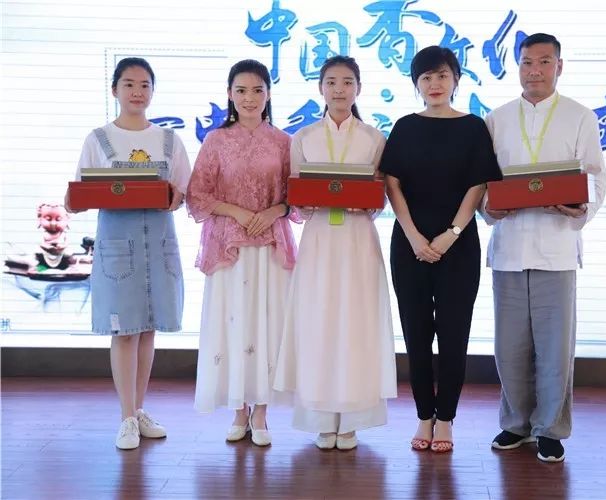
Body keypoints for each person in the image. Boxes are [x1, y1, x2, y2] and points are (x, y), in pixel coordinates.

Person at [482, 33, 606, 462]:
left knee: (555, 348)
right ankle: (515, 423)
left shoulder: (580, 116)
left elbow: (595, 176)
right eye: (527, 62)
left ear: (559, 66)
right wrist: (488, 209)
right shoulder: (496, 118)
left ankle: (550, 429)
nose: (534, 70)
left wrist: (580, 209)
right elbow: (483, 182)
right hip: (510, 246)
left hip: (557, 245)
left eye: (544, 61)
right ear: (517, 66)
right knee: (509, 346)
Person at [64, 57, 191, 450]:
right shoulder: (98, 139)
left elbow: (184, 193)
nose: (137, 92)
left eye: (145, 85)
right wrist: (75, 198)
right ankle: (125, 418)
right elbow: (75, 197)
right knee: (124, 332)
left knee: (148, 328)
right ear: (115, 90)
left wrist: (175, 198)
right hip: (117, 248)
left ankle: (138, 410)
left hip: (158, 243)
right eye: (129, 84)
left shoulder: (169, 140)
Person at [378, 46, 501, 453]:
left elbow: (478, 184)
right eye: (426, 77)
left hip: (458, 247)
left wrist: (451, 233)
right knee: (416, 334)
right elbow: (392, 184)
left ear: (456, 80)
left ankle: (445, 418)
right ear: (416, 83)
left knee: (453, 334)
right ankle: (422, 416)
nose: (434, 84)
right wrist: (414, 236)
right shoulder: (405, 126)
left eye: (442, 75)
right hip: (409, 245)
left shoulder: (473, 127)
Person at [273, 55, 397, 451]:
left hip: (359, 239)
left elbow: (380, 194)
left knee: (357, 324)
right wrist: (304, 203)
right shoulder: (303, 137)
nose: (339, 89)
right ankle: (321, 418)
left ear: (358, 88)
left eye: (347, 82)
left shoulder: (375, 138)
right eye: (331, 82)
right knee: (319, 322)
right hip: (319, 239)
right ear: (320, 88)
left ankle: (353, 419)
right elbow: (296, 193)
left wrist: (368, 202)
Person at [187, 59, 297, 446]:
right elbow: (197, 195)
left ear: (268, 94)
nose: (250, 98)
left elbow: (298, 197)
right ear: (230, 95)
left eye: (257, 90)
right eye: (241, 91)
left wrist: (272, 211)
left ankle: (261, 411)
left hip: (270, 244)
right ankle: (238, 409)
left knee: (267, 324)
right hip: (228, 246)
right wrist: (236, 211)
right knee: (232, 323)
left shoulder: (284, 141)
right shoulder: (216, 140)